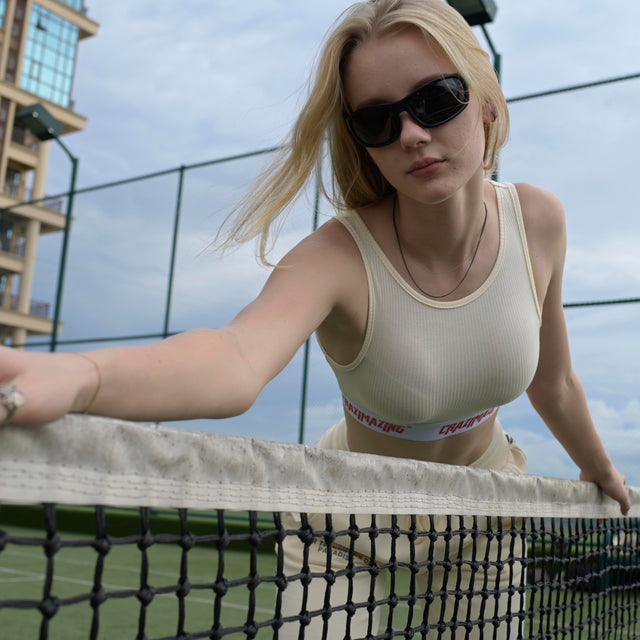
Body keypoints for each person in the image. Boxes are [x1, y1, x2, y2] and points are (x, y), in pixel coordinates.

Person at [0, 0, 630, 636]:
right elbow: (237, 357)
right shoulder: (335, 256)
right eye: (377, 120)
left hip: (483, 510)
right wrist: (82, 376)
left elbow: (554, 381)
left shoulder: (539, 221)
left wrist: (599, 470)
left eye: (437, 99)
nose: (412, 133)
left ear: (486, 104)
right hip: (346, 516)